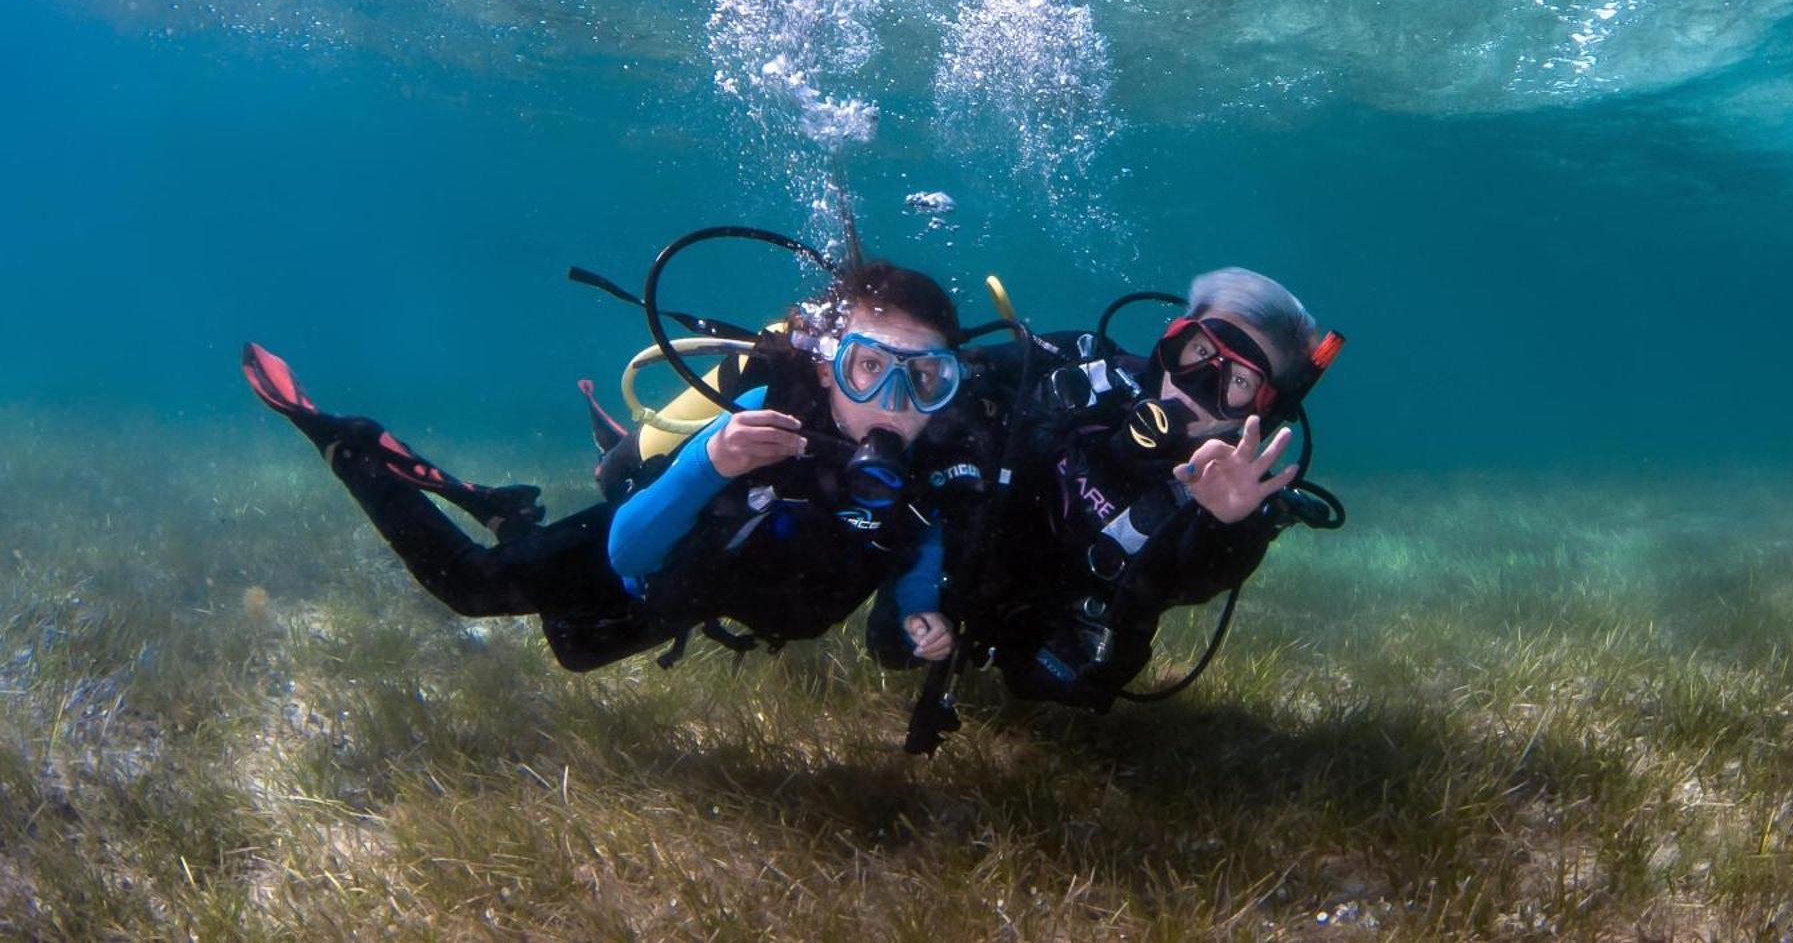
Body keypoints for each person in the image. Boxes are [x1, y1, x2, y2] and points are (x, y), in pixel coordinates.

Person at [243, 260, 982, 673]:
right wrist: (710, 459)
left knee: (573, 647)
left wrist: (921, 618)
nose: (891, 402)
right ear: (825, 370)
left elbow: (918, 559)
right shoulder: (763, 415)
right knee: (469, 585)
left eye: (924, 380)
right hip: (648, 550)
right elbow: (628, 548)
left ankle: (506, 510)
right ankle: (348, 445)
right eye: (868, 367)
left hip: (693, 593)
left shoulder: (925, 480)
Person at [930, 266, 1343, 712]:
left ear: (1263, 408)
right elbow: (954, 377)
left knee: (1056, 686)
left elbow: (1196, 579)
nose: (1200, 384)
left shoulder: (1231, 500)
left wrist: (1224, 525)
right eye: (1200, 351)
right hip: (985, 547)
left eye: (1239, 381)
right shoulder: (1087, 369)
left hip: (1061, 612)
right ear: (1173, 340)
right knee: (893, 636)